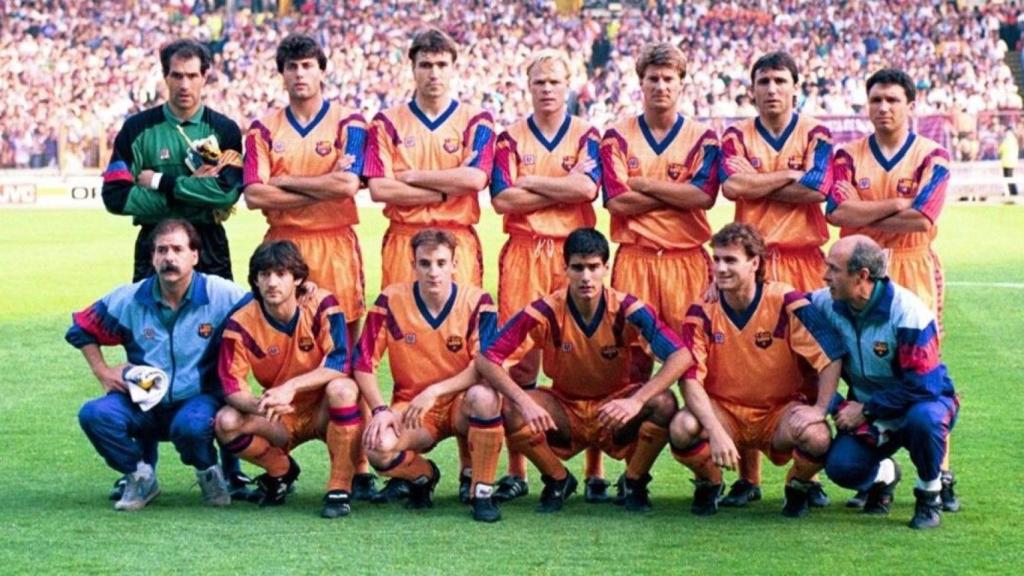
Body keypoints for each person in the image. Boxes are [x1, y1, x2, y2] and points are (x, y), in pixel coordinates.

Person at [241, 34, 376, 499]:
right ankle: (281, 450)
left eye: (307, 65)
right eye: (291, 67)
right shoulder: (263, 128)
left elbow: (346, 184)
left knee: (346, 351)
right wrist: (318, 185)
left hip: (335, 245)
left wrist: (287, 183)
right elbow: (255, 193)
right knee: (281, 341)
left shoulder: (350, 122)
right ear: (282, 74)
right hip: (281, 247)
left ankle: (357, 467)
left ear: (322, 70)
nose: (300, 74)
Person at [477, 228, 693, 514]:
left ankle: (634, 482)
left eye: (593, 267)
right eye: (578, 268)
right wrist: (526, 402)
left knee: (664, 402)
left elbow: (681, 355)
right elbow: (487, 358)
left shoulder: (628, 308)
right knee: (513, 408)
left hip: (613, 410)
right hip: (565, 409)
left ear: (606, 268)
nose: (586, 277)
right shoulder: (545, 309)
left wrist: (636, 400)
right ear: (565, 268)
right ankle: (557, 479)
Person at [827, 68, 958, 510]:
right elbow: (835, 213)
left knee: (920, 367)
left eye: (892, 100)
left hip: (913, 261)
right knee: (859, 356)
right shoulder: (847, 155)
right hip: (856, 268)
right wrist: (898, 204)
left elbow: (923, 218)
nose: (883, 108)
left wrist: (862, 212)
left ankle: (940, 473)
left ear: (910, 105)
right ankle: (873, 462)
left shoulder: (932, 155)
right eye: (876, 100)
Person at [490, 48, 607, 503]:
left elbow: (587, 188)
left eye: (555, 82)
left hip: (572, 254)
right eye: (539, 82)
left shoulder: (586, 134)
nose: (547, 89)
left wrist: (531, 182)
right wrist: (557, 185)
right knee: (517, 360)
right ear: (528, 86)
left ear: (569, 86)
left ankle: (595, 470)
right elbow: (502, 198)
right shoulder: (509, 138)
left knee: (590, 356)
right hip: (523, 252)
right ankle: (518, 469)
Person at [718, 51, 834, 507]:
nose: (771, 89)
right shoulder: (735, 134)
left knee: (807, 360)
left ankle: (807, 477)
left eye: (779, 80)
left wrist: (762, 178)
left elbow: (819, 186)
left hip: (804, 259)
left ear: (795, 86)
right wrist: (790, 175)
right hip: (755, 263)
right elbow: (732, 187)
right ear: (752, 89)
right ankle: (748, 479)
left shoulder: (817, 133)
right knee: (744, 363)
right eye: (763, 81)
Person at [668, 223, 843, 518]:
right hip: (725, 413)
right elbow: (689, 380)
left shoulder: (786, 302)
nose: (720, 268)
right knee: (682, 428)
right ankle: (709, 482)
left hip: (778, 412)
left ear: (755, 263)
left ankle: (798, 485)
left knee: (818, 437)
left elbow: (831, 355)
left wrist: (821, 408)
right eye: (717, 259)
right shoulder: (701, 310)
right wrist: (714, 430)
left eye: (730, 260)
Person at [68, 219, 245, 511]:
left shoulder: (221, 294)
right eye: (161, 250)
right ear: (152, 258)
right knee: (94, 414)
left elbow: (262, 312)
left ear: (195, 256)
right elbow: (81, 328)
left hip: (197, 400)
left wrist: (304, 290)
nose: (169, 258)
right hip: (142, 401)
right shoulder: (129, 297)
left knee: (191, 426)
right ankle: (140, 475)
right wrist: (102, 371)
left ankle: (209, 472)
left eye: (177, 249)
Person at [352, 229, 504, 522]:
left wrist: (435, 391)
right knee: (377, 446)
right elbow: (363, 362)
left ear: (454, 265)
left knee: (485, 398)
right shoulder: (390, 301)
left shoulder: (478, 301)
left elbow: (484, 365)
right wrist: (381, 409)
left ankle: (481, 490)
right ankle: (423, 475)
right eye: (425, 264)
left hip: (460, 402)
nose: (433, 272)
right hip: (413, 408)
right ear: (413, 265)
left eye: (441, 263)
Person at [812, 236, 958, 530]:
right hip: (873, 408)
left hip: (923, 401)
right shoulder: (827, 302)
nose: (825, 276)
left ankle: (930, 494)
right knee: (841, 467)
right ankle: (885, 474)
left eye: (834, 269)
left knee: (925, 419)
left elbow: (922, 386)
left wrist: (865, 410)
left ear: (862, 276)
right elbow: (785, 303)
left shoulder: (909, 313)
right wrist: (726, 289)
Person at [214, 240, 364, 518]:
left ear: (298, 279)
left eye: (281, 274)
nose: (272, 282)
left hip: (322, 409)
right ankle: (280, 470)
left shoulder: (322, 304)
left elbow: (340, 362)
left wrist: (289, 388)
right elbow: (231, 387)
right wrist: (264, 403)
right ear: (255, 281)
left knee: (343, 389)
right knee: (226, 421)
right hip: (280, 416)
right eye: (264, 274)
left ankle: (340, 485)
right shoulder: (240, 324)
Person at [600, 41, 720, 356]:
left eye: (669, 79)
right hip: (635, 260)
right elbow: (617, 203)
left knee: (694, 356)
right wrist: (677, 192)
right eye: (653, 78)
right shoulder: (616, 136)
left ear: (682, 83)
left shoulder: (703, 137)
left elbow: (703, 196)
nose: (661, 86)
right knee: (630, 361)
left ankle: (691, 409)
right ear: (641, 82)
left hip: (686, 260)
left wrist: (645, 186)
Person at [363, 27, 495, 290]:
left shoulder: (477, 121)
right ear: (412, 69)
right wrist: (447, 190)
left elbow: (474, 180)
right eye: (425, 65)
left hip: (457, 241)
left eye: (441, 65)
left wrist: (412, 177)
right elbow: (379, 189)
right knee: (402, 325)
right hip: (404, 241)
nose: (434, 73)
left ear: (453, 68)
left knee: (461, 325)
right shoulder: (385, 122)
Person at [101, 39, 242, 283]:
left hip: (208, 243)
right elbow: (115, 196)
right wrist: (195, 195)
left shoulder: (225, 129)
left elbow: (227, 193)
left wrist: (160, 182)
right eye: (177, 76)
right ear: (165, 76)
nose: (184, 85)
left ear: (205, 76)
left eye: (192, 75)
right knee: (150, 320)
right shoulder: (136, 128)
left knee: (217, 320)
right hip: (155, 243)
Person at [999, 121, 1019, 197]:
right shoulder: (1014, 140)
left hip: (1007, 161)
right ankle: (1012, 191)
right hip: (1011, 161)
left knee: (1008, 178)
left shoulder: (1007, 140)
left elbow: (1001, 149)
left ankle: (1012, 192)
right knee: (1009, 177)